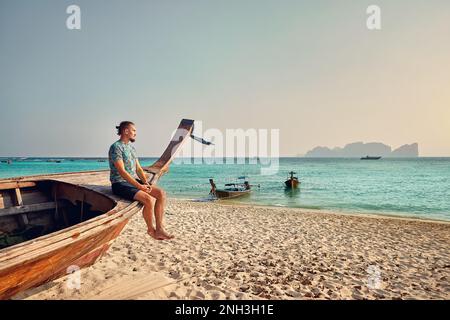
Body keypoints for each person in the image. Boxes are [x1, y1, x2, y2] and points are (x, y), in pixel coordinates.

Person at [108, 121, 174, 240]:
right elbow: (122, 172)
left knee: (161, 193)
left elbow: (138, 169)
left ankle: (159, 229)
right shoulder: (115, 147)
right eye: (133, 130)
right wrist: (139, 186)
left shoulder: (131, 148)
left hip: (132, 182)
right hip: (120, 183)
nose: (135, 133)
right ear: (126, 131)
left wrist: (146, 183)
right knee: (148, 199)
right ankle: (150, 229)